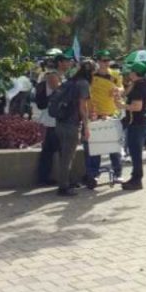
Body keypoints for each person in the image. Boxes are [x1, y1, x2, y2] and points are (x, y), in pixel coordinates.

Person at [83, 53, 123, 188]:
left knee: (114, 146)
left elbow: (122, 88)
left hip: (111, 113)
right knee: (94, 148)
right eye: (103, 60)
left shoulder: (115, 74)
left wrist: (118, 90)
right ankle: (93, 175)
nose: (106, 63)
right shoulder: (92, 76)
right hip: (95, 115)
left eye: (108, 60)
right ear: (98, 62)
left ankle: (118, 173)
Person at [55, 63, 94, 196]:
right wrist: (86, 126)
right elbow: (83, 107)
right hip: (71, 125)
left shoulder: (70, 82)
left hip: (59, 123)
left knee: (64, 155)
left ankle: (68, 181)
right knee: (67, 157)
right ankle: (63, 187)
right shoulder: (83, 84)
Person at [121, 65, 146, 190]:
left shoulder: (139, 87)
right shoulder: (145, 84)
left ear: (135, 73)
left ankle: (137, 179)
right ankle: (135, 177)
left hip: (136, 122)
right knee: (135, 152)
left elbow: (137, 106)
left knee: (135, 153)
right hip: (140, 121)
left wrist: (122, 106)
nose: (129, 73)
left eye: (131, 71)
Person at [34, 69, 62, 186]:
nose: (51, 83)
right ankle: (43, 178)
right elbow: (40, 105)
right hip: (49, 125)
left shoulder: (63, 90)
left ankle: (64, 179)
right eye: (49, 81)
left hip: (60, 125)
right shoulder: (42, 89)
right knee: (47, 153)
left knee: (63, 153)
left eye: (54, 81)